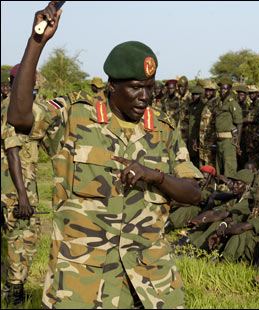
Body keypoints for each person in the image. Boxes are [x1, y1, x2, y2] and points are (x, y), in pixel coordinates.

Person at [7, 3, 202, 308]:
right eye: (136, 88)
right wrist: (36, 42)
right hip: (82, 280)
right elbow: (19, 117)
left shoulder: (163, 129)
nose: (145, 98)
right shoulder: (75, 116)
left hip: (149, 281)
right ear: (112, 85)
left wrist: (157, 177)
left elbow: (193, 193)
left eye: (150, 88)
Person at [1, 64, 42, 306]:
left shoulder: (14, 106)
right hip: (16, 184)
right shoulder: (12, 108)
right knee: (23, 237)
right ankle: (14, 293)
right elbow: (13, 151)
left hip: (20, 182)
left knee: (17, 236)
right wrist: (23, 196)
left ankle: (11, 287)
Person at [214, 76, 243, 178]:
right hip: (219, 140)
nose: (222, 91)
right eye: (221, 88)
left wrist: (237, 144)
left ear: (230, 90)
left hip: (228, 141)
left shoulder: (232, 103)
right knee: (219, 169)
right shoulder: (220, 103)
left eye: (225, 89)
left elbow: (239, 124)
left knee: (229, 168)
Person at [197, 80, 218, 168]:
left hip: (211, 141)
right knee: (203, 164)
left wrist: (214, 142)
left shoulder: (216, 104)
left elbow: (216, 123)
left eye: (211, 90)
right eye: (206, 90)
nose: (208, 93)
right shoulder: (207, 103)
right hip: (203, 141)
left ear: (215, 91)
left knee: (210, 165)